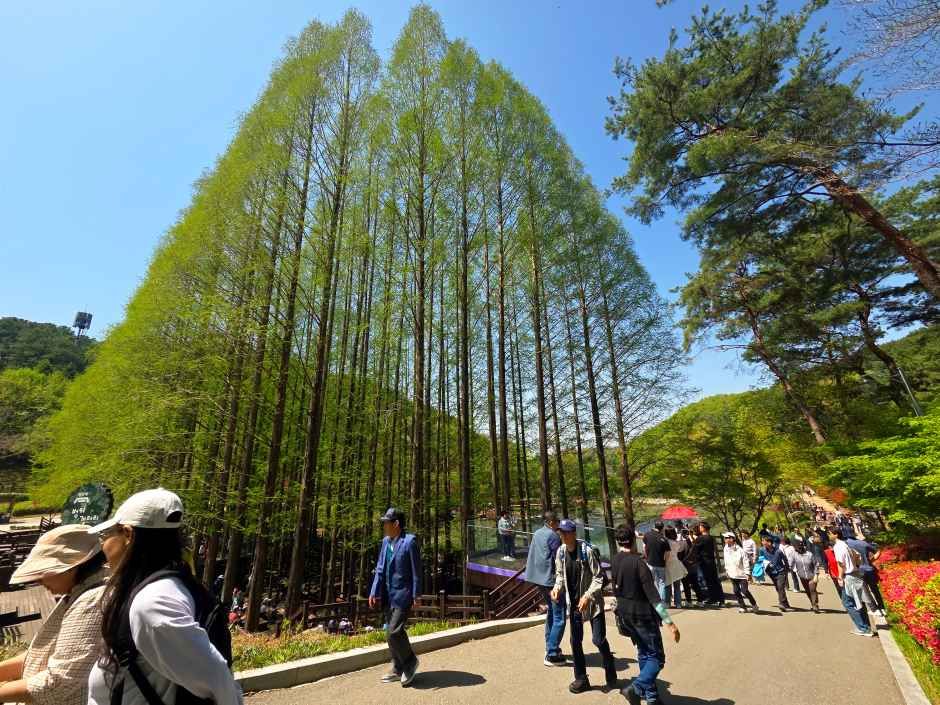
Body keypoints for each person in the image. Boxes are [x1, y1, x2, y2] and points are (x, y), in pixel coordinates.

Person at [87, 488, 242, 705]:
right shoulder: (167, 585)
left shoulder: (152, 604)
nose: (103, 545)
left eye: (107, 535)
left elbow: (216, 676)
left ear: (129, 535)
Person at [0, 524, 108, 705]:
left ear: (72, 567)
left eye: (44, 572)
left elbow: (58, 683)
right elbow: (43, 652)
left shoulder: (91, 601)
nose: (39, 580)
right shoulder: (77, 592)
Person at [611, 525, 680, 705]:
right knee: (656, 657)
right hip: (642, 616)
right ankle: (636, 688)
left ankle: (652, 697)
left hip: (625, 615)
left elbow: (615, 589)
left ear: (618, 542)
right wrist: (669, 622)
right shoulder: (639, 563)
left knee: (643, 653)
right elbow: (653, 596)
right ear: (634, 541)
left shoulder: (615, 560)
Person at [551, 519, 617, 693]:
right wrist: (557, 588)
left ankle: (610, 669)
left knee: (598, 639)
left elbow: (598, 577)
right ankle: (581, 679)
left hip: (593, 603)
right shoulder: (561, 552)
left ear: (573, 534)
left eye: (565, 533)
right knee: (575, 641)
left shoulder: (586, 551)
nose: (562, 536)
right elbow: (559, 575)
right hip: (574, 604)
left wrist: (587, 596)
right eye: (561, 533)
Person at [368, 507, 422, 686]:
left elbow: (416, 571)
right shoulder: (385, 542)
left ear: (396, 524)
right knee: (389, 631)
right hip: (387, 595)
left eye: (387, 522)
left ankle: (410, 662)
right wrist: (374, 591)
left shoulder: (409, 542)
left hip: (403, 594)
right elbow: (380, 568)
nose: (384, 526)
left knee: (394, 631)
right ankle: (398, 668)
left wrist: (416, 594)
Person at [524, 510, 566, 666]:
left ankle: (550, 644)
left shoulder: (538, 533)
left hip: (538, 579)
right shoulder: (553, 536)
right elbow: (558, 558)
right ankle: (552, 653)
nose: (558, 523)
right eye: (556, 521)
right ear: (550, 522)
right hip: (551, 581)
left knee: (552, 612)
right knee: (560, 616)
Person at [829, 527, 876, 637]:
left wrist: (840, 577)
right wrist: (856, 565)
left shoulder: (838, 547)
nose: (829, 535)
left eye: (830, 533)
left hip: (848, 576)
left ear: (836, 535)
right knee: (859, 600)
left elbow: (840, 564)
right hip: (856, 573)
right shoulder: (846, 545)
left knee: (848, 602)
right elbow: (858, 556)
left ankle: (863, 628)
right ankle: (866, 627)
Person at [846, 533, 885, 615]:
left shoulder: (846, 544)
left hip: (858, 570)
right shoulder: (863, 543)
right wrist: (871, 561)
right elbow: (878, 551)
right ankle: (882, 607)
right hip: (869, 568)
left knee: (865, 591)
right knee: (875, 589)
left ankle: (874, 609)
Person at [722, 532, 758, 614]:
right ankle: (742, 607)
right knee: (736, 591)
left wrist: (748, 574)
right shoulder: (725, 548)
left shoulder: (740, 550)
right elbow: (726, 560)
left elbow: (745, 562)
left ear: (732, 539)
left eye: (727, 538)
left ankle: (754, 604)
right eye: (725, 538)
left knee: (744, 591)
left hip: (742, 574)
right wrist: (727, 570)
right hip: (732, 573)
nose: (725, 539)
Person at [693, 523, 723, 605]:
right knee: (715, 580)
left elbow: (695, 548)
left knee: (709, 581)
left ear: (703, 528)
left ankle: (712, 599)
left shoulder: (701, 538)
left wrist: (694, 538)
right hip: (711, 560)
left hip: (704, 561)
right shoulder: (710, 537)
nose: (699, 528)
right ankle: (720, 599)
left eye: (700, 527)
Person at [761, 535, 792, 612]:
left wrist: (786, 569)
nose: (762, 542)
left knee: (780, 587)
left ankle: (781, 603)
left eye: (763, 541)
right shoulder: (762, 550)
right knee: (778, 588)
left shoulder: (778, 551)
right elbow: (761, 559)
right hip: (771, 572)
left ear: (769, 542)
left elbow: (785, 560)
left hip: (780, 571)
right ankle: (785, 603)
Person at [642, 521, 670, 602]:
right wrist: (665, 562)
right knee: (662, 583)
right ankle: (661, 600)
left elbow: (644, 548)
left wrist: (647, 558)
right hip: (661, 564)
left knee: (650, 581)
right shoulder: (664, 539)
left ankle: (651, 599)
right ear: (662, 528)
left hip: (650, 563)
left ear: (654, 526)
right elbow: (667, 553)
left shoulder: (647, 535)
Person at [790, 538, 820, 613]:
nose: (798, 549)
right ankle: (813, 603)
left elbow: (816, 564)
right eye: (797, 548)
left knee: (812, 589)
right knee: (807, 591)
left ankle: (815, 605)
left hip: (812, 576)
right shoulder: (794, 554)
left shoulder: (809, 554)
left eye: (800, 548)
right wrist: (792, 569)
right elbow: (791, 564)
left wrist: (816, 575)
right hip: (802, 576)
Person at [663, 526, 687, 609]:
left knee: (667, 585)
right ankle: (678, 604)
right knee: (677, 586)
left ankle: (667, 603)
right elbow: (680, 550)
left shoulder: (666, 542)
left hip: (668, 564)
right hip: (676, 564)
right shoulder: (676, 542)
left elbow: (666, 554)